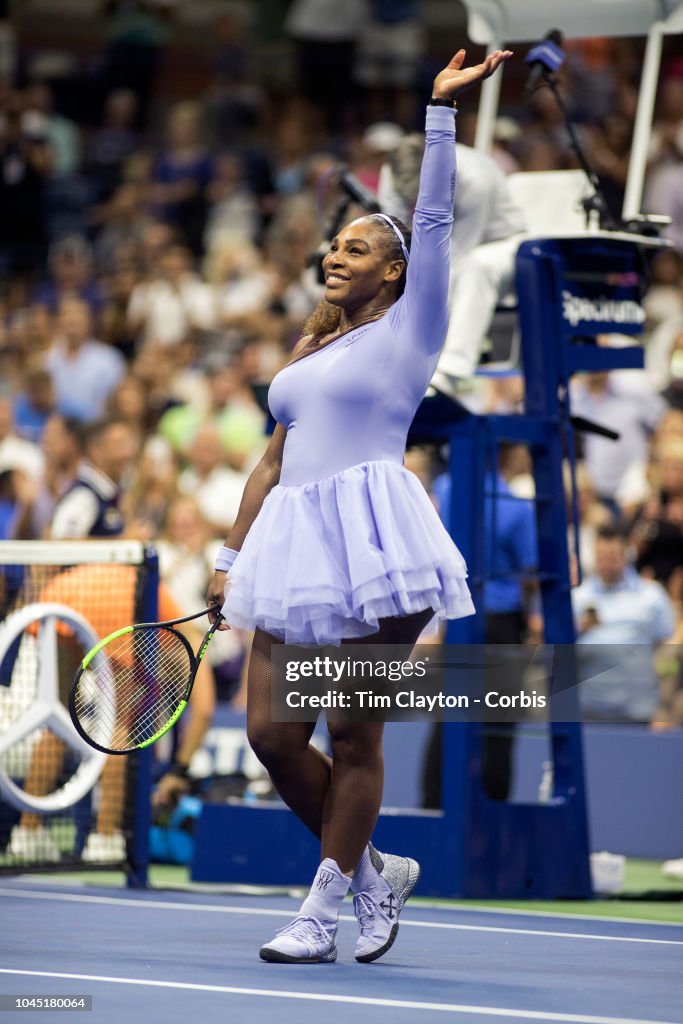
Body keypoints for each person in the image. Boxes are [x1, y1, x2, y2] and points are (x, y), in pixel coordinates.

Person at [205, 47, 512, 965]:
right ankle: (377, 875)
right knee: (268, 734)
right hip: (292, 544)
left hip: (376, 540)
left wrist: (439, 113)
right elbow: (269, 463)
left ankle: (325, 908)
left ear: (393, 271)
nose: (336, 256)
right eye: (333, 247)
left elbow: (435, 214)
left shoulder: (412, 330)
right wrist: (227, 558)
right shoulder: (306, 356)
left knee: (352, 728)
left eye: (356, 248)